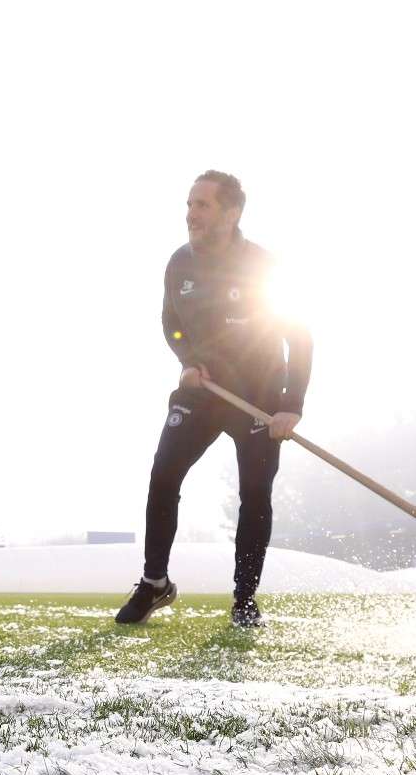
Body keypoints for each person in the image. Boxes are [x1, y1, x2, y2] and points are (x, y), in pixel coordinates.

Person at [116, 170, 313, 629]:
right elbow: (171, 322)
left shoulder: (263, 265)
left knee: (255, 496)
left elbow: (299, 338)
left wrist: (291, 405)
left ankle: (245, 600)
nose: (191, 214)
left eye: (202, 205)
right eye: (189, 204)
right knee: (163, 477)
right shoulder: (179, 263)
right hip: (202, 393)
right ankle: (154, 583)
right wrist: (186, 357)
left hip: (259, 400)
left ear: (232, 213)